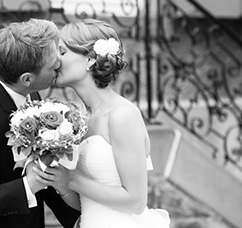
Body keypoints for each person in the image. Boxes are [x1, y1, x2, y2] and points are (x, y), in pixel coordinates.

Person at [34, 19, 171, 227]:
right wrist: (61, 184)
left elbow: (135, 201)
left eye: (62, 52)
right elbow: (86, 201)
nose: (56, 62)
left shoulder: (122, 115)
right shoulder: (80, 120)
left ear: (89, 59)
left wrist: (70, 179)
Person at [0, 18, 80, 228]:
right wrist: (28, 185)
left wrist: (82, 220)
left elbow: (40, 173)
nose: (59, 64)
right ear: (27, 79)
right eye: (52, 64)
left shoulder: (31, 95)